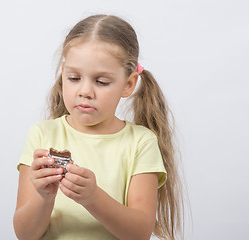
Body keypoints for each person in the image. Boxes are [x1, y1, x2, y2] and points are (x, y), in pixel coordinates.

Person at [13, 14, 184, 240]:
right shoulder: (42, 135)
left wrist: (92, 198)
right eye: (74, 78)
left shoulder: (140, 142)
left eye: (101, 82)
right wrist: (43, 197)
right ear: (63, 73)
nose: (85, 91)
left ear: (129, 84)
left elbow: (140, 233)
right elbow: (25, 234)